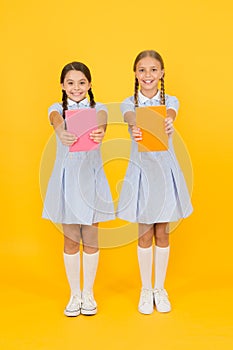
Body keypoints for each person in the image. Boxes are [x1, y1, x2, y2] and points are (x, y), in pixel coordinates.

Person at [117, 50, 193, 314]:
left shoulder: (171, 101)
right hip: (142, 174)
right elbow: (129, 117)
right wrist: (135, 125)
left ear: (161, 73)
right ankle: (145, 289)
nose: (147, 75)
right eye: (142, 70)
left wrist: (169, 120)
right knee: (144, 232)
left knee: (163, 232)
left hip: (164, 172)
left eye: (153, 70)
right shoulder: (129, 104)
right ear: (135, 74)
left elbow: (171, 112)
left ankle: (160, 288)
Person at [42, 62, 115, 316]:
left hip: (91, 180)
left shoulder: (99, 109)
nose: (76, 88)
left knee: (91, 240)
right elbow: (54, 120)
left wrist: (100, 132)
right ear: (62, 85)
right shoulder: (57, 109)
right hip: (68, 180)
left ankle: (88, 293)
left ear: (90, 85)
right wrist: (61, 131)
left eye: (81, 83)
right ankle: (74, 295)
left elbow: (103, 123)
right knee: (71, 240)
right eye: (70, 83)